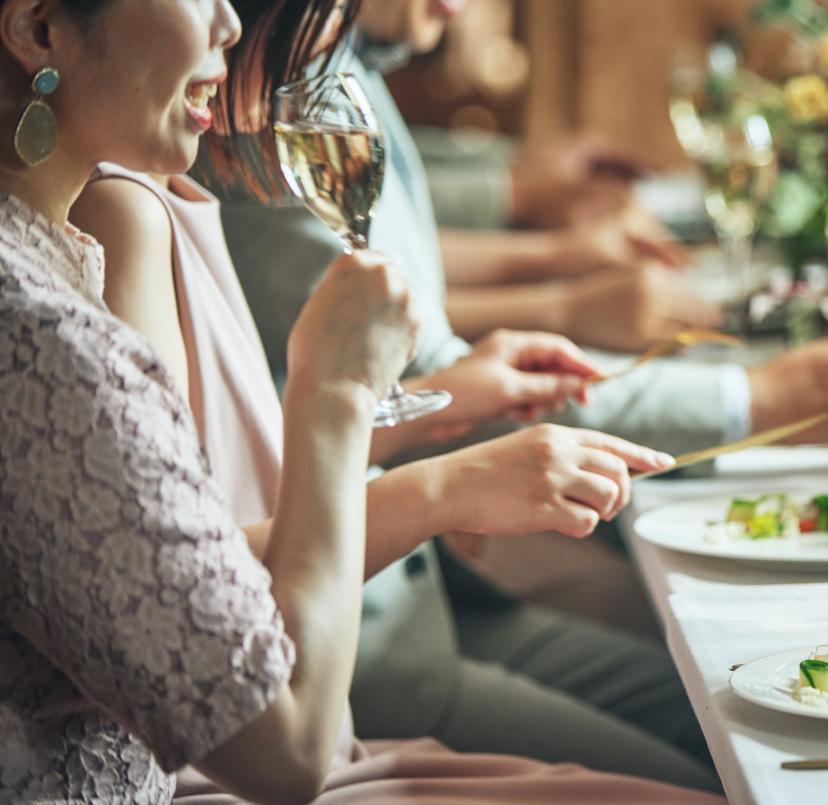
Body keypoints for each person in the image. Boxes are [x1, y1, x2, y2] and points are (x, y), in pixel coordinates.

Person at [0, 0, 721, 800]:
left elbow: (183, 557)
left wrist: (442, 478)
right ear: (36, 30)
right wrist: (341, 394)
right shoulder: (48, 318)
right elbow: (287, 753)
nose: (231, 24)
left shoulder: (80, 232)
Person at [189, 0, 828, 762]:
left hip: (426, 599)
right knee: (744, 737)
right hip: (364, 654)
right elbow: (387, 373)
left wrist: (524, 299)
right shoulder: (261, 95)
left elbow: (398, 288)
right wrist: (756, 399)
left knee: (734, 705)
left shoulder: (311, 64)